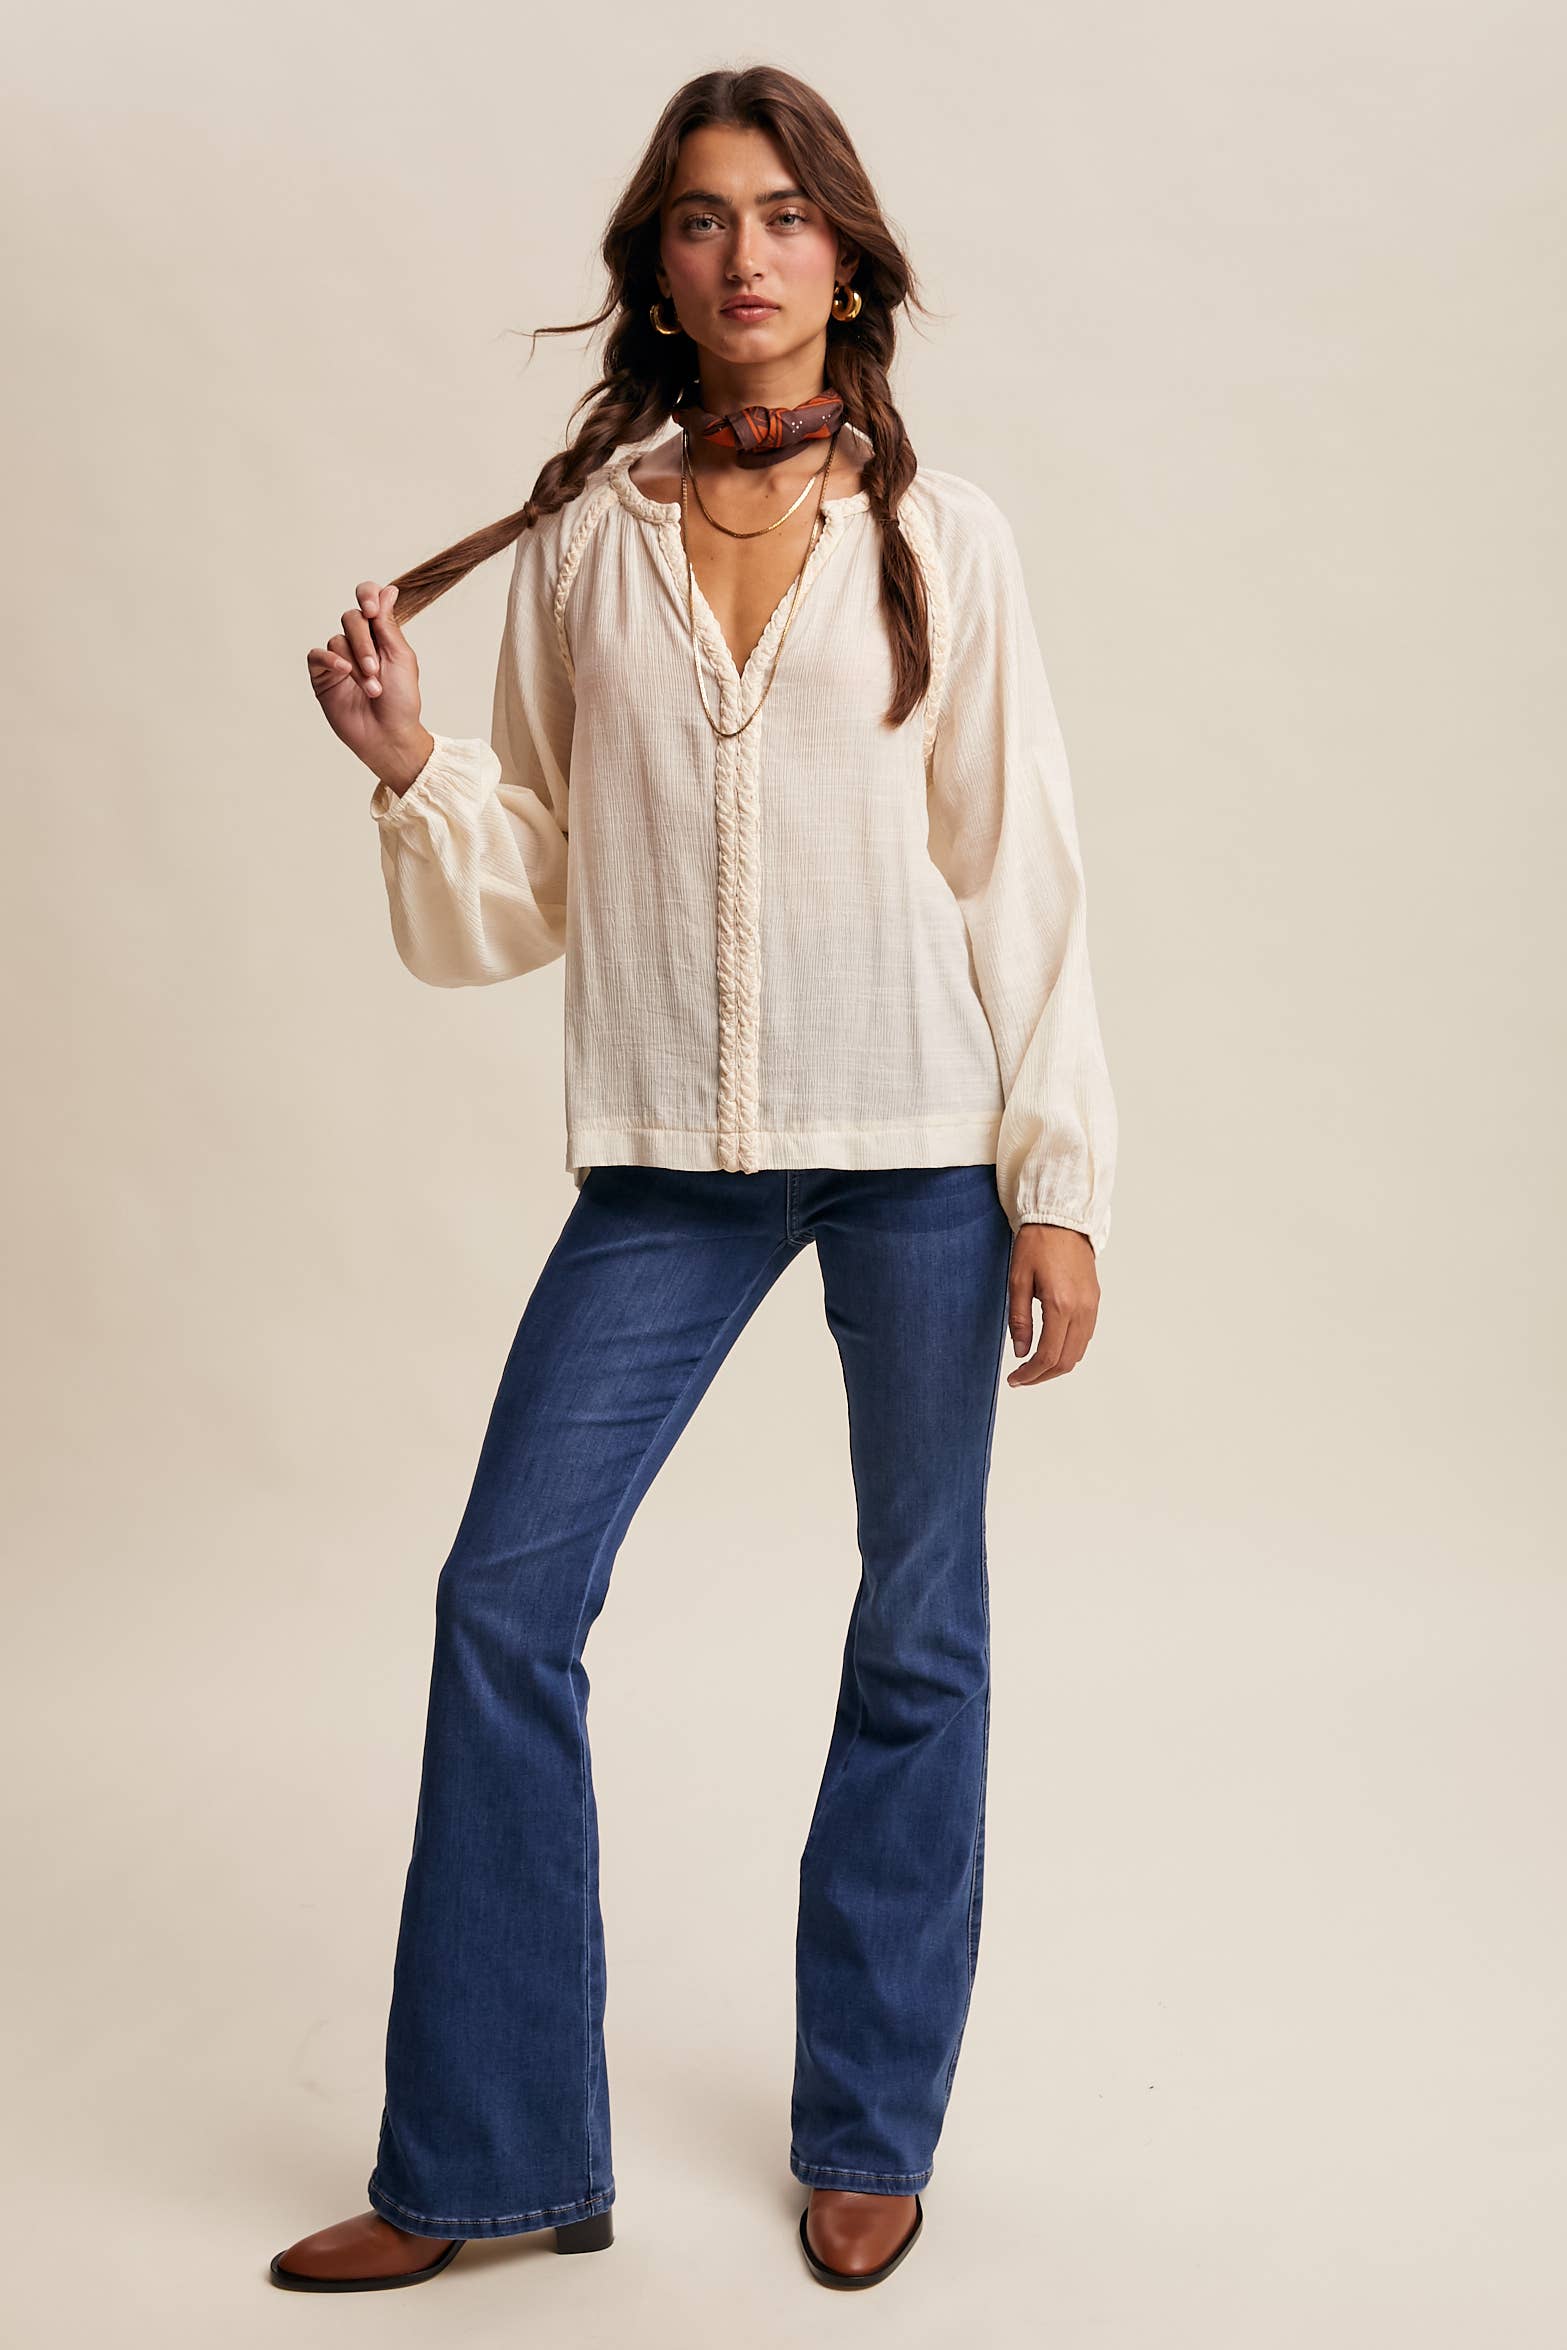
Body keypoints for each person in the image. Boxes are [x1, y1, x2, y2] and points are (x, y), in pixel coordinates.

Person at [277, 63, 1116, 2298]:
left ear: (847, 256)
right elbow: (541, 876)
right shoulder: (588, 543)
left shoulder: (947, 538)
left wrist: (1056, 1176)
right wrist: (412, 764)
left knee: (918, 1622)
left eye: (782, 214)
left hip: (917, 1148)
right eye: (699, 219)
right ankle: (488, 2157)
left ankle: (870, 2119)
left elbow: (1016, 865)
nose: (744, 253)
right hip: (668, 1156)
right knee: (501, 1600)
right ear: (657, 270)